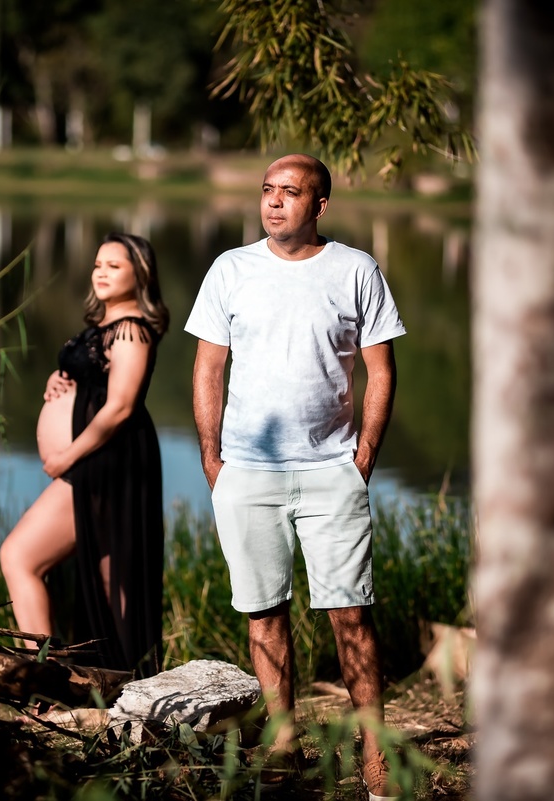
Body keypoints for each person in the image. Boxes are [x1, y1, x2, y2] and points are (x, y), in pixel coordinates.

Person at [184, 154, 405, 799]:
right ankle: (282, 749)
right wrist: (211, 459)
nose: (275, 202)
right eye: (268, 191)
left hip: (332, 470)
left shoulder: (356, 269)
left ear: (320, 205)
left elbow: (381, 371)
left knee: (352, 617)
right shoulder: (230, 269)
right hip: (246, 473)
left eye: (291, 192)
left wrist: (362, 459)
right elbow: (206, 371)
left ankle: (375, 760)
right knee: (263, 616)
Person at [0, 232, 168, 678]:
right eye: (98, 264)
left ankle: (49, 679)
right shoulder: (104, 328)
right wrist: (57, 383)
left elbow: (120, 407)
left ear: (140, 274)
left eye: (114, 265)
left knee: (21, 556)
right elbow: (91, 383)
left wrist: (66, 457)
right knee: (107, 574)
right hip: (94, 461)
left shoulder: (131, 330)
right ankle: (117, 679)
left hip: (108, 461)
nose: (101, 272)